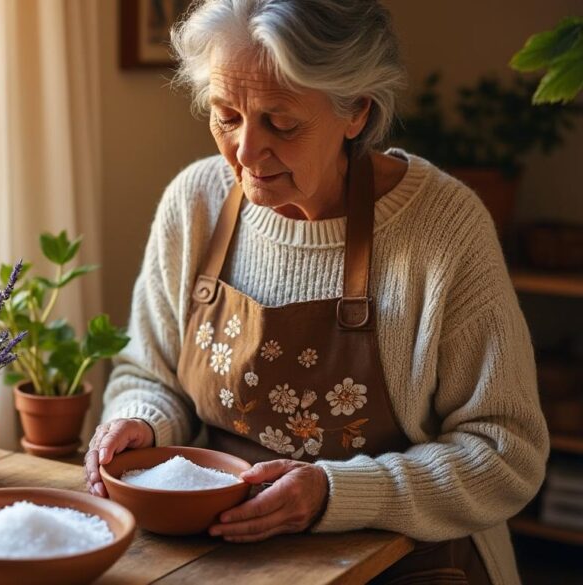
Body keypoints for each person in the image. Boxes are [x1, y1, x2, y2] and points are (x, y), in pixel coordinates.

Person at [83, 1, 548, 583]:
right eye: (226, 116)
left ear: (356, 111)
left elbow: (506, 453)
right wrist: (142, 421)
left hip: (408, 565)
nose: (245, 152)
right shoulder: (195, 203)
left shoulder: (443, 228)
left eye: (281, 123)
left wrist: (334, 492)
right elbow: (148, 375)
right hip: (227, 558)